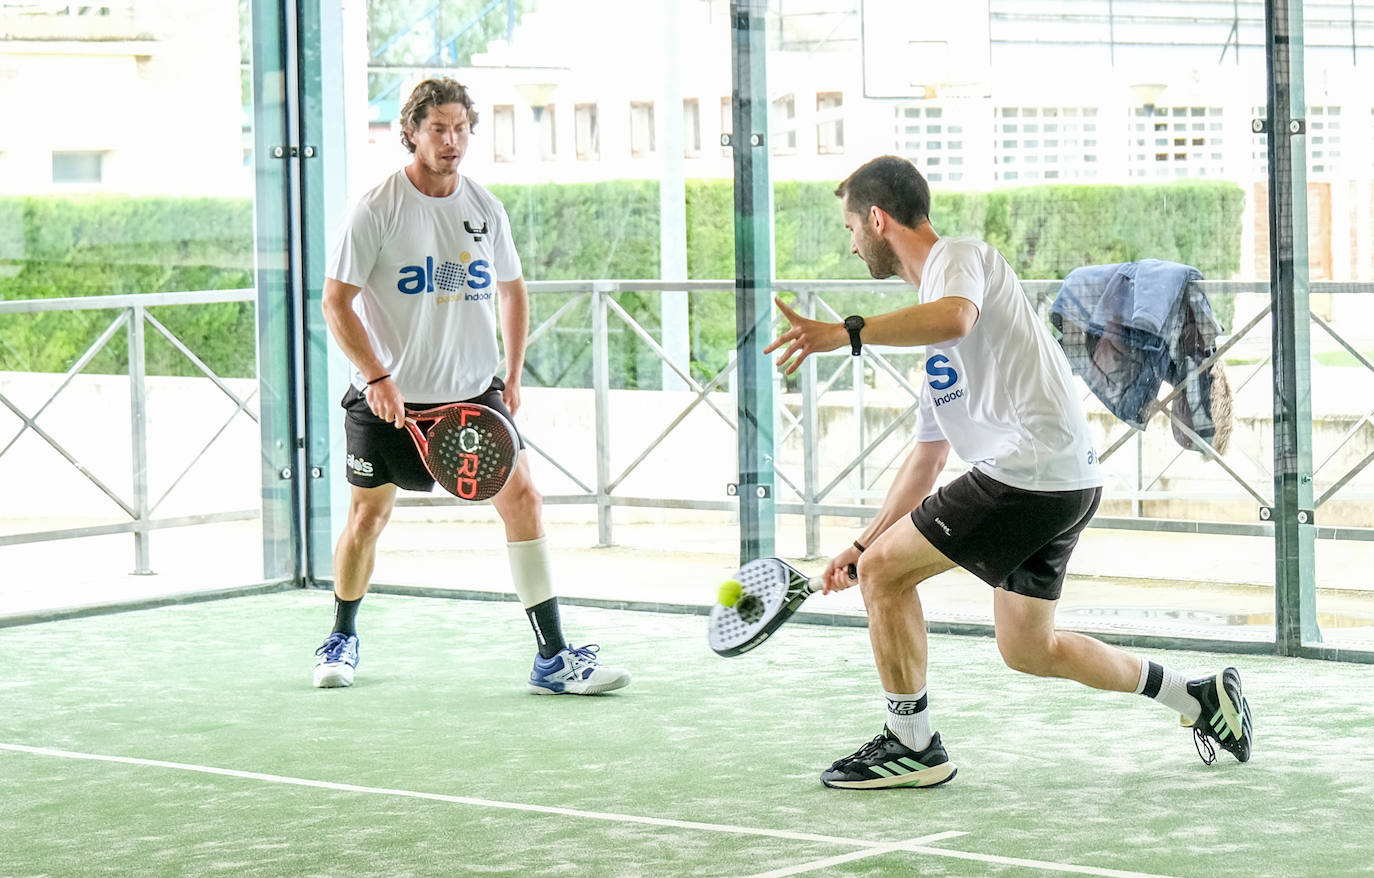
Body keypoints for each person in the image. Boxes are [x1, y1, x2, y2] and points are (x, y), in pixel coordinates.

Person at [765, 155, 1251, 790]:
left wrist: (846, 332)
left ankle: (912, 743)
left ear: (877, 219)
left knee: (887, 577)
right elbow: (927, 460)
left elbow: (955, 316)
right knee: (1028, 649)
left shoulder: (959, 259)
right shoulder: (935, 341)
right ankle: (1199, 698)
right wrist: (862, 543)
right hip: (1061, 482)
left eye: (851, 229)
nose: (851, 245)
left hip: (1029, 472)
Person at [314, 77, 630, 697]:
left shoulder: (485, 207)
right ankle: (342, 633)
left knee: (525, 501)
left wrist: (511, 375)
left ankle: (552, 655)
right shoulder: (376, 208)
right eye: (438, 128)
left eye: (461, 128)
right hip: (391, 402)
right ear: (411, 132)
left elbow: (512, 289)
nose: (452, 140)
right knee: (367, 518)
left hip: (473, 396)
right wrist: (378, 376)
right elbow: (336, 303)